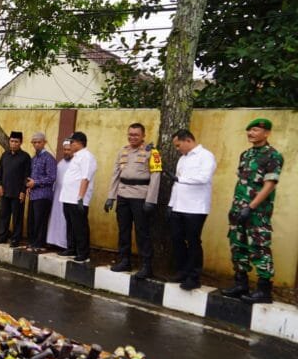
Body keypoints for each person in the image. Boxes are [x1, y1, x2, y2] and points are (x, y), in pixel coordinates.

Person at [221, 118, 284, 304]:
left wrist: (251, 207)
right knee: (237, 245)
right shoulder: (246, 154)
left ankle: (264, 290)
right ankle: (241, 284)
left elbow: (270, 184)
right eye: (249, 130)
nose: (250, 133)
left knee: (259, 247)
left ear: (267, 133)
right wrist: (238, 207)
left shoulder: (273, 156)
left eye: (255, 130)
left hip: (257, 212)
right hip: (238, 208)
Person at [105, 123, 162, 279]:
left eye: (136, 135)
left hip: (140, 197)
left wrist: (151, 200)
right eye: (130, 134)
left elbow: (156, 176)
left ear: (143, 136)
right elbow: (115, 174)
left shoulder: (152, 152)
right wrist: (111, 197)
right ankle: (124, 261)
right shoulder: (123, 151)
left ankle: (146, 266)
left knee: (142, 232)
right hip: (123, 195)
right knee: (123, 230)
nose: (132, 137)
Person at [166, 129, 217, 290]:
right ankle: (182, 271)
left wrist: (180, 179)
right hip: (178, 206)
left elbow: (204, 178)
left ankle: (194, 276)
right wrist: (171, 204)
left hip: (196, 207)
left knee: (193, 241)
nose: (177, 149)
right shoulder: (182, 159)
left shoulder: (206, 156)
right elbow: (176, 185)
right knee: (177, 239)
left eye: (178, 145)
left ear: (188, 140)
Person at [59, 132, 96, 262]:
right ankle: (71, 248)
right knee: (70, 224)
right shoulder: (76, 156)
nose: (70, 144)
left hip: (77, 199)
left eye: (72, 142)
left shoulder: (86, 156)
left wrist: (80, 197)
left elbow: (85, 178)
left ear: (80, 142)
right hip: (68, 197)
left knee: (80, 227)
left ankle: (83, 253)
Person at [0, 131, 31, 247]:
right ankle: (2, 237)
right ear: (9, 141)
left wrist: (23, 191)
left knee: (17, 217)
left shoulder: (25, 157)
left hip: (17, 193)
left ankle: (15, 239)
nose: (14, 143)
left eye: (16, 142)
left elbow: (27, 175)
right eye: (12, 141)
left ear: (21, 142)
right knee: (4, 215)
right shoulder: (5, 155)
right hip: (4, 191)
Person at [26, 132, 57, 252]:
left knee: (40, 221)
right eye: (34, 142)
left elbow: (52, 177)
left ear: (44, 142)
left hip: (44, 195)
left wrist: (36, 183)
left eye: (39, 142)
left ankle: (39, 244)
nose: (36, 144)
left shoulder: (48, 158)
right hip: (33, 195)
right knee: (32, 220)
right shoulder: (34, 158)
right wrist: (29, 185)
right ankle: (33, 243)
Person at [47, 140, 73, 249]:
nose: (66, 152)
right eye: (65, 149)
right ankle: (54, 242)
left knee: (64, 220)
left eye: (69, 150)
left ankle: (64, 244)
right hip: (57, 195)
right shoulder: (61, 163)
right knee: (56, 218)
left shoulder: (75, 164)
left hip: (69, 197)